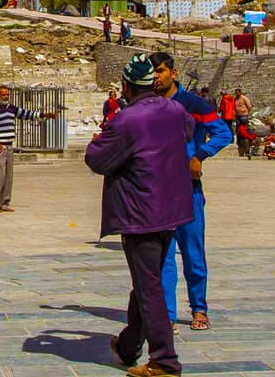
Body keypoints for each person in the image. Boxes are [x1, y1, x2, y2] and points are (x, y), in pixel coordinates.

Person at [86, 56, 195, 377]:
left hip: (140, 212)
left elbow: (96, 159)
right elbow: (188, 132)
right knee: (146, 279)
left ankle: (164, 360)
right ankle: (129, 345)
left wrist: (99, 142)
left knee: (149, 287)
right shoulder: (175, 110)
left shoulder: (126, 120)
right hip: (171, 208)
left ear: (126, 86)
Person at [149, 52, 231, 331]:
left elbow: (223, 133)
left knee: (194, 253)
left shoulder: (194, 104)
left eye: (160, 71)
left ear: (173, 73)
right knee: (164, 258)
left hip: (188, 191)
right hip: (157, 193)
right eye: (152, 72)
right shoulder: (147, 104)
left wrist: (199, 156)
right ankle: (167, 315)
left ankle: (199, 309)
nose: (156, 76)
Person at [0, 85, 56, 211]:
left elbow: (27, 114)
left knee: (9, 176)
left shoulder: (11, 108)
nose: (6, 96)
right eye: (3, 94)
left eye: (7, 94)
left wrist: (44, 115)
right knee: (0, 175)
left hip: (9, 146)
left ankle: (5, 203)